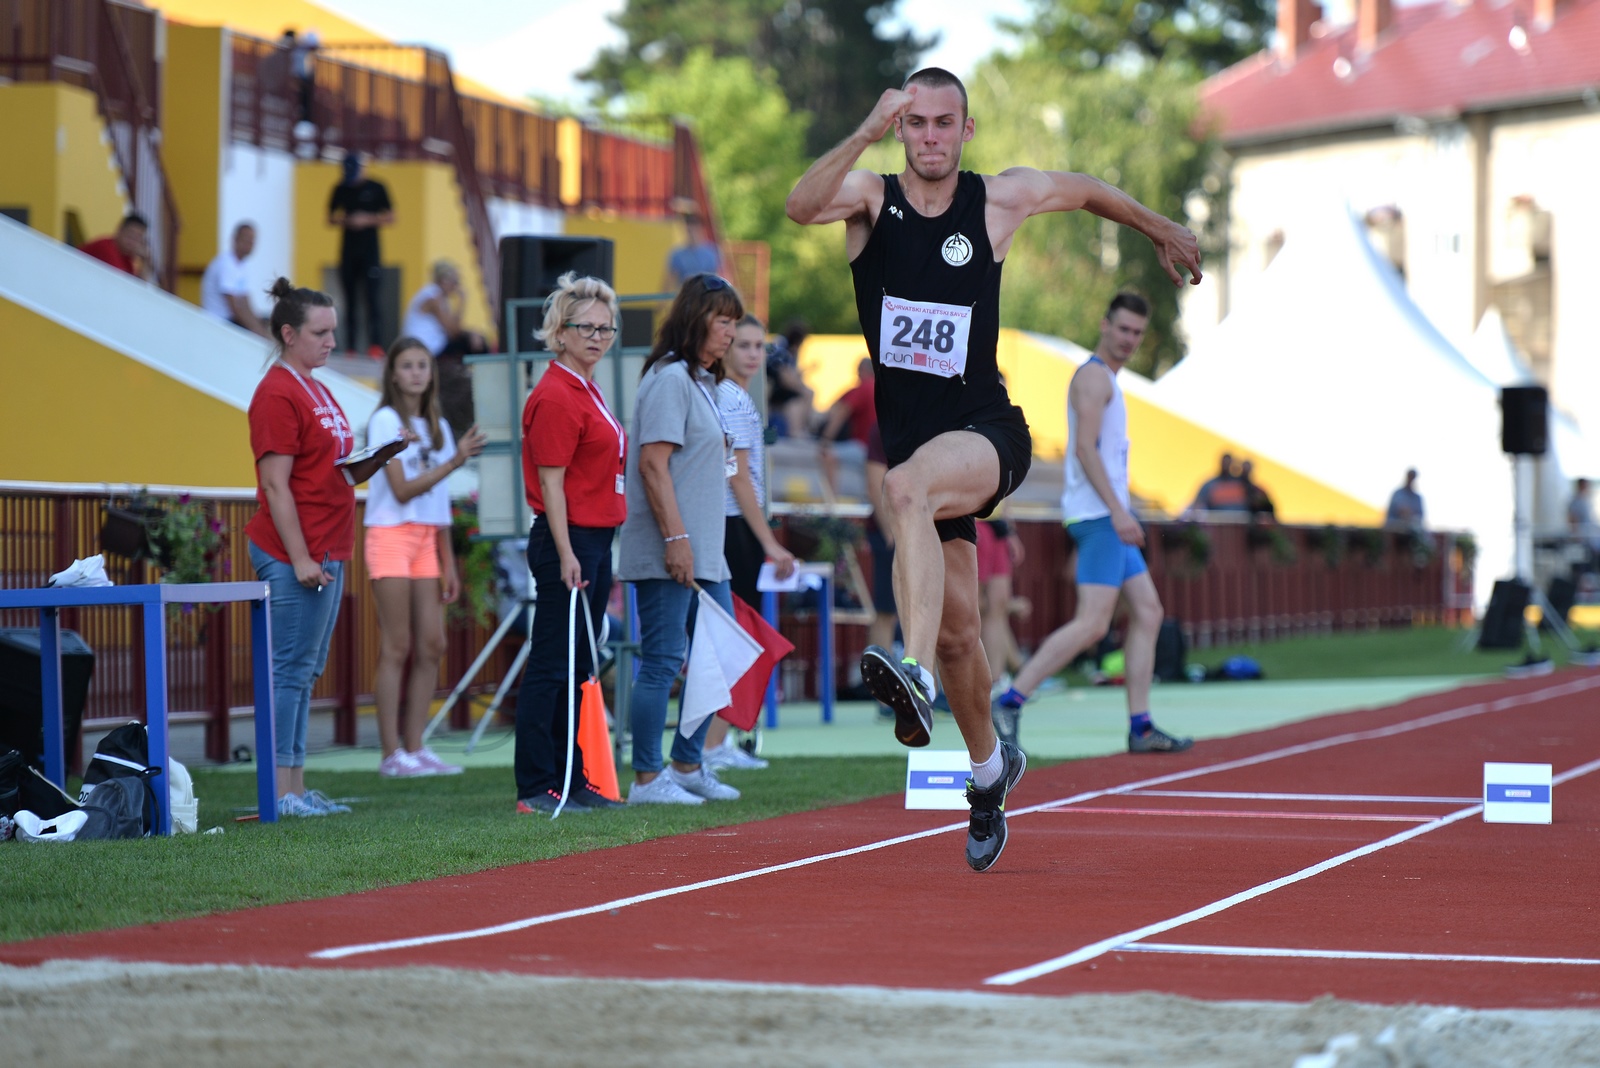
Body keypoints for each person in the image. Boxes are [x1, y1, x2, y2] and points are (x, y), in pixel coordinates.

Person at [786, 67, 1202, 871]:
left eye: (944, 123)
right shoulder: (870, 199)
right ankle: (987, 771)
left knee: (902, 487)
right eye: (917, 123)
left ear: (965, 130)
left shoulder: (996, 201)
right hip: (920, 451)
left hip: (985, 433)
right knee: (960, 635)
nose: (930, 137)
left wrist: (1158, 228)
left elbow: (1083, 189)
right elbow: (801, 206)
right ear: (900, 129)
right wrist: (865, 129)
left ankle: (910, 676)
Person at [990, 292, 1194, 759]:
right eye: (1123, 329)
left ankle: (1141, 726)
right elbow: (1084, 448)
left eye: (1137, 333)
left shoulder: (1108, 382)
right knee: (1093, 624)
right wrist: (1119, 512)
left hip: (1107, 514)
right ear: (1105, 325)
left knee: (1148, 611)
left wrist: (1121, 510)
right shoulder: (1094, 378)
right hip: (1099, 517)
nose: (1129, 339)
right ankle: (1009, 701)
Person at [246, 277, 407, 817]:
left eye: (333, 331)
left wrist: (380, 456)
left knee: (306, 670)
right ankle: (280, 792)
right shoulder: (277, 392)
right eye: (321, 333)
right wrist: (298, 558)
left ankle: (294, 787)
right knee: (290, 671)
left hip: (324, 547)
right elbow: (275, 485)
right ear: (289, 334)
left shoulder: (315, 386)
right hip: (296, 551)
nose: (332, 342)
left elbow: (334, 470)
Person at [617, 273, 748, 806]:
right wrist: (676, 538)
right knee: (664, 659)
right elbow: (652, 465)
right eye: (723, 321)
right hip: (672, 548)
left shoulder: (700, 381)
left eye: (735, 323)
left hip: (705, 551)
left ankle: (687, 764)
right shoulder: (670, 379)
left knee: (721, 656)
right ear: (696, 319)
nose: (731, 333)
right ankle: (647, 779)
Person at [513, 273, 630, 814]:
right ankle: (536, 784)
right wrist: (566, 553)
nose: (598, 337)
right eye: (586, 327)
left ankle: (573, 775)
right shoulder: (557, 394)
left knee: (580, 662)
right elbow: (551, 485)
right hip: (570, 539)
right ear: (559, 333)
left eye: (606, 328)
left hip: (595, 538)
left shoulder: (586, 387)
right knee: (551, 663)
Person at [364, 337, 486, 779]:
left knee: (433, 644)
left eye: (422, 365)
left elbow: (438, 502)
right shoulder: (385, 420)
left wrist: (448, 562)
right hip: (391, 535)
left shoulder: (438, 427)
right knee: (397, 645)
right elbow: (400, 490)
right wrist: (454, 461)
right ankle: (391, 754)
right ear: (393, 375)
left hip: (426, 540)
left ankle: (415, 747)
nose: (416, 373)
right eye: (407, 365)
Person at [704, 314, 797, 772]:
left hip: (733, 523)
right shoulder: (729, 397)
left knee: (735, 636)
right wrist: (770, 543)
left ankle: (716, 742)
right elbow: (738, 478)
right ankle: (709, 747)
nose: (754, 354)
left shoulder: (732, 396)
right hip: (733, 525)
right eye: (744, 345)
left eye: (760, 346)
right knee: (734, 636)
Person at [327, 152, 394, 357]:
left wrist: (366, 220)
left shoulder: (377, 187)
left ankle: (375, 344)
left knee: (372, 298)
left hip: (370, 252)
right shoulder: (340, 189)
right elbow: (330, 217)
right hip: (348, 251)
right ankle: (351, 346)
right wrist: (348, 221)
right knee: (350, 299)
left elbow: (391, 217)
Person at [200, 222, 270, 337]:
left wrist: (258, 324)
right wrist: (258, 333)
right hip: (219, 322)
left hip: (230, 320)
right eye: (247, 239)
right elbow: (234, 308)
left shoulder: (241, 265)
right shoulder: (226, 264)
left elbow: (245, 301)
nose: (250, 243)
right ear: (236, 239)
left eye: (252, 240)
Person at [817, 358, 876, 495]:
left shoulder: (864, 388)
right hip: (881, 448)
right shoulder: (882, 387)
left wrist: (826, 438)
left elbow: (841, 411)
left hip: (864, 446)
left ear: (863, 370)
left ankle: (831, 499)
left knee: (827, 454)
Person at [662, 210, 723, 291]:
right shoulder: (677, 255)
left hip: (707, 294)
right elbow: (669, 281)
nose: (692, 233)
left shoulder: (713, 252)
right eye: (689, 230)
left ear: (701, 229)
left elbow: (719, 277)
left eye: (695, 229)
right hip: (686, 294)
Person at [79, 214, 149, 279]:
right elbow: (120, 284)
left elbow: (137, 286)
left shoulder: (127, 260)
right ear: (120, 230)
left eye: (138, 237)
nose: (133, 240)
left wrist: (145, 261)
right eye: (131, 234)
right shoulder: (106, 247)